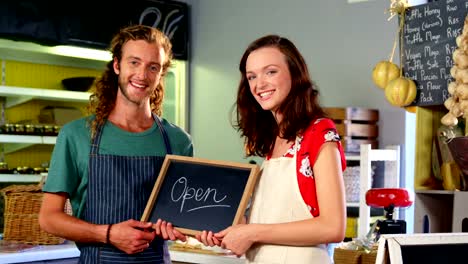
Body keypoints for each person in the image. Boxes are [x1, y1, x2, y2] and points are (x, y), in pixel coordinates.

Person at [39, 24, 192, 263]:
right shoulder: (76, 134)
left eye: (153, 67)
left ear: (161, 74)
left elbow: (181, 216)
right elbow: (49, 218)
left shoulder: (178, 141)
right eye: (134, 62)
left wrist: (179, 226)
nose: (142, 75)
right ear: (117, 65)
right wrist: (108, 234)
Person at [196, 35, 347, 264]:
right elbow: (271, 220)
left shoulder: (318, 133)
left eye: (271, 72)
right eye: (252, 77)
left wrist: (252, 232)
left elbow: (333, 226)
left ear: (295, 74)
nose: (259, 85)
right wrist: (230, 230)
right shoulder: (274, 141)